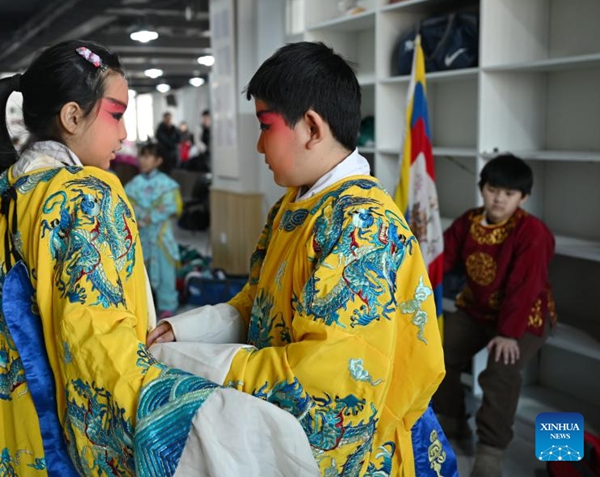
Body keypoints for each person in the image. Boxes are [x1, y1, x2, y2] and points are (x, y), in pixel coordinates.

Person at [0, 40, 316, 476]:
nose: (124, 134)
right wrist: (195, 412)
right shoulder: (87, 195)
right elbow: (99, 354)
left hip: (3, 427)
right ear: (72, 116)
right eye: (116, 115)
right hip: (57, 439)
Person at [147, 41, 456, 476]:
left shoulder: (361, 225)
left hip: (362, 450)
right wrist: (181, 333)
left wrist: (188, 362)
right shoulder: (294, 205)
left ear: (311, 127)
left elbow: (324, 385)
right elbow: (257, 303)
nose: (258, 145)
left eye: (265, 125)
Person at [433, 153, 556, 476]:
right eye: (493, 189)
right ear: (482, 188)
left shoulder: (533, 233)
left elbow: (525, 288)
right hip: (477, 309)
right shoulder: (469, 221)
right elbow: (442, 259)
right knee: (437, 351)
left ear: (523, 197)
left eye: (509, 193)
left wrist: (508, 333)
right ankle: (452, 420)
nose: (499, 198)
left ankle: (491, 448)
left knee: (501, 371)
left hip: (523, 317)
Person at [124, 143, 182, 318]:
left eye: (148, 156)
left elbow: (172, 205)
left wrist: (149, 217)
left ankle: (167, 304)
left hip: (160, 236)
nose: (143, 160)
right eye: (141, 155)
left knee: (165, 272)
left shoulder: (167, 184)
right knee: (141, 273)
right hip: (140, 235)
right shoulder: (133, 184)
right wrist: (140, 218)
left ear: (158, 161)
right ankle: (144, 306)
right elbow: (127, 206)